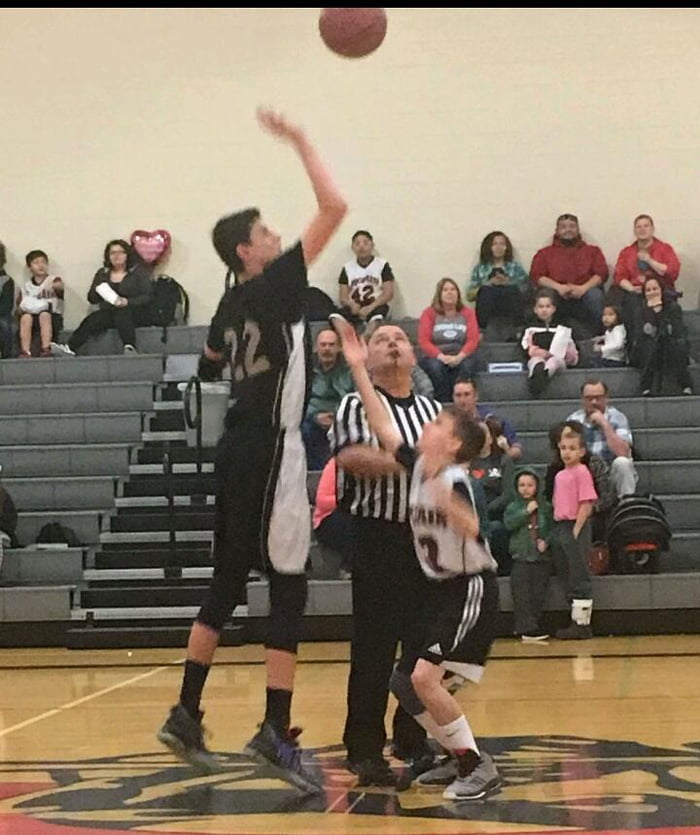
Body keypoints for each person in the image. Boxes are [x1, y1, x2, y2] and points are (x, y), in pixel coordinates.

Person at [156, 108, 347, 790]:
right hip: (271, 447)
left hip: (238, 444)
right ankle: (273, 729)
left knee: (229, 579)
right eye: (266, 231)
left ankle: (185, 710)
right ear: (247, 250)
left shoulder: (230, 303)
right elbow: (335, 205)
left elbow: (210, 360)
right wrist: (299, 138)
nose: (276, 235)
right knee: (289, 582)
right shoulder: (272, 286)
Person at [333, 315, 502, 801]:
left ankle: (473, 763)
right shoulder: (422, 462)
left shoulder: (448, 477)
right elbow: (383, 425)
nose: (426, 425)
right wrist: (358, 368)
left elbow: (471, 527)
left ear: (449, 443)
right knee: (404, 680)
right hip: (405, 560)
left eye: (437, 424)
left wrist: (451, 507)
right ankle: (452, 755)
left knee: (423, 678)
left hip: (466, 586)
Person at [329, 322, 441, 787]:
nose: (393, 343)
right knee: (374, 648)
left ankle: (412, 738)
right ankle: (363, 747)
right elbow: (352, 458)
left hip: (425, 537)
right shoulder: (355, 403)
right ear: (365, 358)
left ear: (414, 357)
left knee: (423, 648)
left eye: (400, 338)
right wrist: (408, 461)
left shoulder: (433, 409)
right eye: (381, 339)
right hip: (378, 535)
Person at [51, 240, 152, 357]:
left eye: (120, 252)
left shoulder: (137, 273)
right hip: (110, 312)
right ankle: (70, 347)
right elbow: (91, 298)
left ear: (127, 255)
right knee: (93, 319)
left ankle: (129, 347)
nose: (116, 256)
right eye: (113, 253)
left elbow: (148, 296)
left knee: (122, 312)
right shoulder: (103, 273)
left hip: (134, 311)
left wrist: (127, 301)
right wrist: (101, 290)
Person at [550, 424, 598, 640]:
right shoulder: (560, 475)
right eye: (563, 448)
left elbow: (586, 503)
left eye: (571, 448)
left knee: (579, 574)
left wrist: (577, 530)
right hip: (560, 525)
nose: (566, 452)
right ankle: (574, 617)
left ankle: (582, 624)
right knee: (566, 573)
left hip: (575, 525)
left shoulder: (582, 471)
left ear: (581, 451)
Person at [530, 213, 608, 335]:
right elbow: (537, 276)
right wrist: (558, 287)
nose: (568, 230)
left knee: (595, 296)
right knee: (545, 297)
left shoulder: (592, 251)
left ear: (578, 229)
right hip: (556, 291)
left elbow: (602, 273)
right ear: (557, 231)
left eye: (572, 226)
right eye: (564, 227)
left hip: (585, 290)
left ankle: (602, 336)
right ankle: (546, 336)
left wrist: (583, 288)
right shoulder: (544, 253)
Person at [504, 468, 554, 642]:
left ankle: (534, 624)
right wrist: (526, 512)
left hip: (541, 557)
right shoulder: (513, 507)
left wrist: (546, 542)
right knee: (522, 593)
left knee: (538, 592)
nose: (526, 489)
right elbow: (509, 524)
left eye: (530, 485)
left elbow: (552, 529)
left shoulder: (546, 507)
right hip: (521, 557)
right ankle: (526, 627)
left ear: (537, 487)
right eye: (522, 485)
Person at [612, 215, 681, 342]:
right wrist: (632, 289)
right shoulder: (627, 252)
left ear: (653, 229)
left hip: (661, 293)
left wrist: (649, 260)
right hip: (635, 293)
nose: (642, 229)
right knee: (631, 304)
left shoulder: (665, 249)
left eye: (646, 226)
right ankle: (634, 346)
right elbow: (619, 276)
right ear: (634, 231)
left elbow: (673, 272)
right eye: (638, 227)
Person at [567, 380, 637, 499]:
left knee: (623, 463)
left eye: (598, 398)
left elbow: (622, 452)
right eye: (589, 398)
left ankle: (626, 507)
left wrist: (605, 424)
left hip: (611, 473)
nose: (594, 402)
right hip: (585, 473)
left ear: (606, 398)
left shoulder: (618, 418)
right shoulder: (573, 420)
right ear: (583, 400)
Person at [417, 277, 480, 402]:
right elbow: (424, 340)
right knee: (436, 368)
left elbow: (473, 339)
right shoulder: (429, 313)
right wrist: (441, 356)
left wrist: (459, 357)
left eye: (453, 289)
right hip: (436, 356)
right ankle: (444, 402)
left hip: (461, 355)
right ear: (439, 294)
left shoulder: (468, 313)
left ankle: (464, 400)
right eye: (445, 290)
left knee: (467, 366)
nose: (450, 292)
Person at [631, 275, 693, 397]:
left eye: (655, 289)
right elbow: (641, 334)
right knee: (651, 345)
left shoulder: (673, 308)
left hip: (669, 344)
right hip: (647, 347)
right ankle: (646, 386)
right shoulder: (640, 311)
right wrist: (651, 312)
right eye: (648, 290)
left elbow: (676, 330)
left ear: (661, 290)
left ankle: (686, 385)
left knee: (676, 345)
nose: (652, 292)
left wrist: (660, 313)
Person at [302, 327, 353, 469]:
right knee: (304, 430)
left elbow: (358, 398)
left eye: (331, 345)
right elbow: (299, 402)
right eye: (323, 345)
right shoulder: (305, 370)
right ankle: (319, 473)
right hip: (313, 419)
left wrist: (338, 416)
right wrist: (315, 416)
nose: (327, 349)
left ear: (339, 348)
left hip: (343, 419)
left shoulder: (351, 370)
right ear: (315, 348)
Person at [521, 288, 579, 398]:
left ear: (554, 309)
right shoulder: (530, 328)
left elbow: (572, 350)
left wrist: (568, 354)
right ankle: (536, 376)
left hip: (558, 359)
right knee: (536, 361)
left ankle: (542, 378)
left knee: (554, 361)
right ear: (535, 309)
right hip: (537, 357)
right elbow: (523, 345)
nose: (544, 310)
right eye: (541, 307)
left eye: (548, 306)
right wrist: (532, 351)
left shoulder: (562, 328)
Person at [467, 230, 529, 332]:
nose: (499, 247)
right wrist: (488, 284)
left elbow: (527, 289)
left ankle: (519, 332)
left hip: (510, 303)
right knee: (485, 291)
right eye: (495, 244)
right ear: (488, 247)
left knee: (513, 290)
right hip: (488, 304)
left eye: (502, 244)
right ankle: (481, 332)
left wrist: (508, 283)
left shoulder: (515, 267)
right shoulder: (480, 268)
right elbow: (470, 295)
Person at [452, 377, 523, 460]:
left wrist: (505, 455)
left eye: (467, 394)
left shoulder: (493, 419)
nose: (462, 400)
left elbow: (517, 449)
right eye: (458, 395)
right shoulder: (446, 422)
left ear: (476, 396)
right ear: (453, 397)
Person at [337, 229, 394, 324]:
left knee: (377, 317)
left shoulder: (382, 265)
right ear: (353, 248)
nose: (361, 246)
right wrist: (351, 305)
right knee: (335, 317)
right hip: (355, 308)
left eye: (365, 243)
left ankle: (366, 337)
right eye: (357, 243)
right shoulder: (347, 268)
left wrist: (370, 307)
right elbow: (343, 297)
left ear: (372, 245)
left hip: (376, 306)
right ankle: (347, 338)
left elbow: (388, 294)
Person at [17, 250, 65, 358]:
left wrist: (56, 287)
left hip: (52, 317)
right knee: (25, 317)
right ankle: (25, 351)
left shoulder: (53, 280)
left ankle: (46, 348)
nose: (40, 265)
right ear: (30, 267)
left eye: (43, 262)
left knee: (44, 315)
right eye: (36, 262)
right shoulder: (26, 286)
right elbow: (19, 307)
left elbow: (60, 286)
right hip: (33, 318)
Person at [592, 303, 627, 368]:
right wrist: (601, 338)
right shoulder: (609, 330)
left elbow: (618, 344)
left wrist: (602, 348)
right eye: (604, 315)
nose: (606, 318)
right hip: (607, 358)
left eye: (611, 315)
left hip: (615, 361)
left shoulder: (618, 330)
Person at [0, 241, 16, 359]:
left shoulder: (6, 280)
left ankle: (6, 355)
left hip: (1, 314)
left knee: (5, 324)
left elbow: (6, 306)